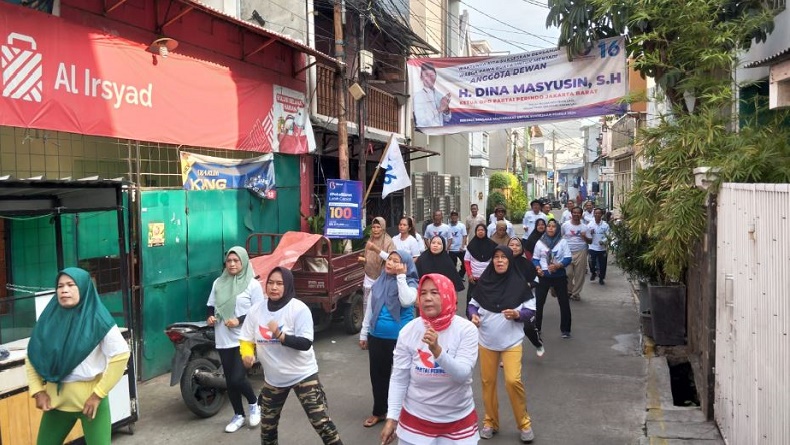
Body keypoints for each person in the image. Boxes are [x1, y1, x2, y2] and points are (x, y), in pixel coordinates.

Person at [26, 267, 131, 445]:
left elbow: (121, 355)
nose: (64, 290)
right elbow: (33, 354)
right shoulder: (49, 319)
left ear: (83, 288)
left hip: (91, 404)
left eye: (70, 285)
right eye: (60, 286)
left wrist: (98, 395)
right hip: (56, 403)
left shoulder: (98, 320)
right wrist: (37, 391)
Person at [239, 267, 343, 445]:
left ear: (287, 286)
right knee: (267, 429)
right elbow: (246, 339)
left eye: (279, 283)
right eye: (271, 283)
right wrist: (247, 355)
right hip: (274, 379)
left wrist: (281, 336)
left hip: (303, 374)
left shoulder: (298, 309)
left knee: (321, 423)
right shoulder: (256, 310)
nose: (274, 287)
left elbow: (305, 343)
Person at [380, 273, 480, 445]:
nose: (427, 298)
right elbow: (399, 378)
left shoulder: (466, 330)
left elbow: (463, 375)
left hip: (457, 421)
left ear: (448, 295)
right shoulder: (408, 331)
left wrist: (438, 352)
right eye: (423, 293)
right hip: (415, 420)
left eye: (435, 292)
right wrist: (392, 418)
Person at [468, 246, 536, 442]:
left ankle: (524, 423)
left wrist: (517, 314)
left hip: (511, 342)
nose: (499, 261)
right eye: (496, 258)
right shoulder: (484, 282)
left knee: (513, 381)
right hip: (487, 341)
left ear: (509, 261)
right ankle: (490, 422)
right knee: (487, 383)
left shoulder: (519, 284)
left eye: (503, 258)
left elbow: (531, 311)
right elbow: (473, 304)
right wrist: (472, 315)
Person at [207, 246, 264, 432]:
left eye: (236, 261)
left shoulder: (252, 285)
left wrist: (238, 320)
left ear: (244, 262)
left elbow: (259, 312)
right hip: (223, 337)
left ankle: (254, 404)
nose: (232, 264)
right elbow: (211, 305)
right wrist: (210, 317)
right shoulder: (218, 282)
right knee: (230, 381)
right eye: (229, 261)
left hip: (244, 338)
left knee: (238, 378)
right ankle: (238, 415)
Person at [359, 250, 419, 428]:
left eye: (396, 261)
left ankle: (405, 413)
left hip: (401, 339)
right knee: (378, 376)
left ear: (405, 265)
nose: (390, 263)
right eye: (389, 260)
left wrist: (401, 276)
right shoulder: (379, 282)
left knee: (403, 377)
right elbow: (370, 309)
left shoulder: (410, 282)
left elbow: (407, 301)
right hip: (377, 336)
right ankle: (380, 411)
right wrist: (364, 333)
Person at [532, 219, 573, 338]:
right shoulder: (540, 242)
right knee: (539, 303)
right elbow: (535, 258)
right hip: (544, 276)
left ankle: (565, 330)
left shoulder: (562, 242)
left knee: (564, 302)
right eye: (548, 226)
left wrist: (558, 265)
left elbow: (568, 258)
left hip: (559, 276)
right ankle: (536, 328)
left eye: (553, 226)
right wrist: (538, 268)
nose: (550, 228)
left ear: (557, 229)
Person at [507, 237, 545, 357]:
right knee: (508, 326)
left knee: (528, 327)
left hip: (526, 299)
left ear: (522, 248)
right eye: (511, 245)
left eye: (517, 245)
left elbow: (537, 280)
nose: (514, 247)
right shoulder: (502, 262)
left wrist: (528, 284)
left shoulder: (528, 264)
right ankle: (508, 354)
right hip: (507, 299)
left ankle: (537, 343)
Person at [360, 217, 396, 313]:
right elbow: (367, 255)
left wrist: (376, 249)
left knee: (381, 305)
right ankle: (367, 326)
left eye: (378, 227)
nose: (375, 230)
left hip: (383, 278)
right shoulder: (370, 240)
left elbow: (391, 258)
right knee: (367, 305)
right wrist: (363, 260)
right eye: (373, 227)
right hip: (369, 276)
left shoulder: (389, 241)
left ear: (383, 228)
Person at [464, 223, 497, 316]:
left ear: (486, 232)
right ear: (476, 232)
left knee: (487, 298)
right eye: (478, 230)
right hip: (474, 279)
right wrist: (469, 275)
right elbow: (466, 261)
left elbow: (494, 261)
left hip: (488, 278)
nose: (481, 232)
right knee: (471, 298)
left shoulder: (492, 245)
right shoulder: (471, 246)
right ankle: (471, 317)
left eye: (482, 230)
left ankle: (487, 317)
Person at [561, 207, 592, 301]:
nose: (576, 214)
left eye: (578, 213)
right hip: (567, 252)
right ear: (571, 214)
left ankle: (575, 293)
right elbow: (560, 237)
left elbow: (590, 241)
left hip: (581, 252)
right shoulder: (565, 225)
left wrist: (584, 237)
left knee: (579, 274)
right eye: (574, 213)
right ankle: (569, 290)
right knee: (568, 273)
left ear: (581, 215)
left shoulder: (585, 227)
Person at [413, 62, 452, 128]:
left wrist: (446, 109)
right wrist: (439, 109)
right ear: (421, 77)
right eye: (426, 75)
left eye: (432, 75)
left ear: (436, 76)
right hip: (425, 133)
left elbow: (447, 119)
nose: (429, 78)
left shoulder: (440, 95)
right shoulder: (418, 96)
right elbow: (421, 121)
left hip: (439, 131)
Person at [587, 208, 611, 285]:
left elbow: (609, 235)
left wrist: (603, 241)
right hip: (592, 247)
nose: (597, 215)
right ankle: (593, 273)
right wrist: (590, 232)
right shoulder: (590, 224)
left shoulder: (605, 225)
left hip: (602, 248)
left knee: (602, 264)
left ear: (601, 215)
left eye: (599, 213)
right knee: (591, 262)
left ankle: (601, 278)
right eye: (596, 213)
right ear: (594, 214)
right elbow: (586, 235)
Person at [447, 210, 468, 279]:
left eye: (455, 215)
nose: (454, 217)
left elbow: (464, 236)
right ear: (450, 217)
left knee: (465, 264)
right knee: (452, 265)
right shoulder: (447, 227)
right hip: (452, 249)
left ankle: (461, 275)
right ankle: (455, 278)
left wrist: (462, 246)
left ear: (457, 216)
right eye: (452, 215)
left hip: (461, 249)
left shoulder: (461, 226)